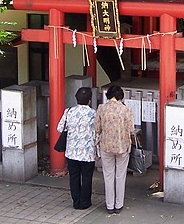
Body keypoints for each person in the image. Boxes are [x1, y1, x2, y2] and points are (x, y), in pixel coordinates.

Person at [95, 84, 133, 214]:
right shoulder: (126, 110)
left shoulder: (101, 109)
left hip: (106, 146)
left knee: (108, 175)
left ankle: (109, 205)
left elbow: (97, 128)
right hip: (122, 146)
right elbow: (131, 129)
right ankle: (119, 204)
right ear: (120, 96)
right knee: (120, 176)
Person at [57, 87, 97, 210]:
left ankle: (76, 201)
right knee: (86, 177)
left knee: (74, 176)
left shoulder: (69, 111)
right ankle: (85, 202)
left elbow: (60, 128)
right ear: (89, 100)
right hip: (88, 152)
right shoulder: (94, 114)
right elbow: (97, 133)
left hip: (71, 151)